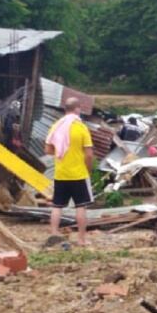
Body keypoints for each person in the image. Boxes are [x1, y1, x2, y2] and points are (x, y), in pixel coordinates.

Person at [46, 98, 94, 246]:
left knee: (57, 206)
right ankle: (81, 239)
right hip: (78, 174)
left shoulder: (56, 126)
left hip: (61, 173)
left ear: (65, 109)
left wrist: (61, 152)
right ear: (77, 108)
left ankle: (54, 235)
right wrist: (88, 170)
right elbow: (89, 155)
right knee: (80, 206)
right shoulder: (81, 127)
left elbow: (48, 150)